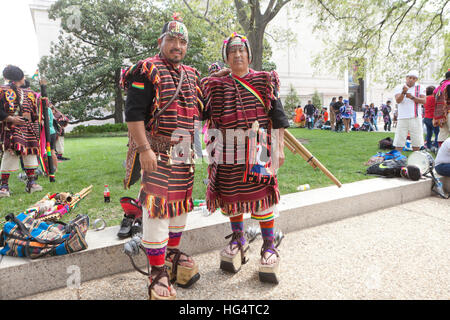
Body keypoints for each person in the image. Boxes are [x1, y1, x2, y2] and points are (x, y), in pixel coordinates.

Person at [122, 15, 203, 300]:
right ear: (161, 42)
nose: (177, 46)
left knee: (179, 207)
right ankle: (157, 272)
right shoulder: (145, 70)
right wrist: (144, 150)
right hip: (154, 150)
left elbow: (201, 107)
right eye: (172, 40)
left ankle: (172, 256)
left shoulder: (192, 74)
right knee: (156, 209)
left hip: (183, 151)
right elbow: (132, 114)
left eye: (182, 42)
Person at [201, 32, 289, 284]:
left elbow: (278, 117)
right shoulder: (216, 86)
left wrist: (279, 148)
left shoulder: (264, 80)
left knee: (263, 199)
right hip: (226, 149)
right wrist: (216, 76)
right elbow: (199, 101)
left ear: (249, 55)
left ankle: (269, 246)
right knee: (232, 197)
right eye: (232, 52)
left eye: (242, 51)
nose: (238, 55)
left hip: (259, 146)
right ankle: (239, 240)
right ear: (226, 57)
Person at [0, 65, 42, 197]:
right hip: (11, 129)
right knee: (10, 155)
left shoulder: (29, 93)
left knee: (30, 154)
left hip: (28, 129)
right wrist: (10, 118)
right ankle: (4, 187)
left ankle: (32, 183)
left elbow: (34, 113)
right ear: (20, 77)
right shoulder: (2, 90)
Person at [393, 70, 426, 151]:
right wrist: (403, 92)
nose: (411, 80)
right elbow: (398, 101)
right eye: (409, 77)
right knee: (399, 140)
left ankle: (416, 158)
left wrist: (412, 97)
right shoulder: (399, 87)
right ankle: (397, 158)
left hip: (415, 117)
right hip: (402, 117)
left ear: (416, 80)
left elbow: (424, 101)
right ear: (406, 78)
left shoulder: (420, 87)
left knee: (416, 140)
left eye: (414, 78)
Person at [433, 70, 450, 147]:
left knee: (443, 133)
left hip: (440, 115)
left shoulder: (439, 87)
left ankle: (441, 152)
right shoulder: (449, 85)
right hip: (448, 111)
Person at [423, 86, 439, 152]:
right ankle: (436, 146)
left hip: (426, 117)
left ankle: (428, 146)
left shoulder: (425, 98)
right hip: (433, 118)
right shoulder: (434, 98)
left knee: (429, 133)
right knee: (437, 133)